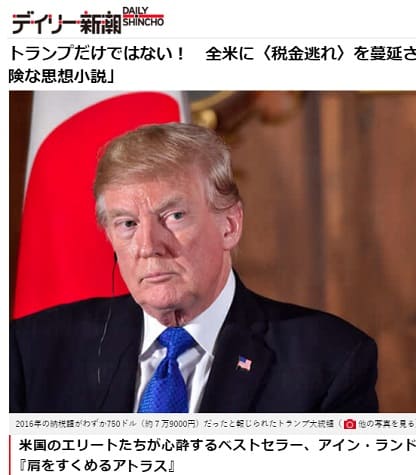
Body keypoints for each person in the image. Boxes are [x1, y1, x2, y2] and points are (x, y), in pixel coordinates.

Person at [10, 123, 378, 413]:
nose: (149, 246)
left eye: (174, 216)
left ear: (229, 225)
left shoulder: (329, 360)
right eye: (127, 224)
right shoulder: (32, 350)